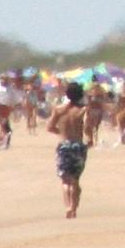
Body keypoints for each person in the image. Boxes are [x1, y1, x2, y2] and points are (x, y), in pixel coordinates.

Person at [48, 81, 88, 218]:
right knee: (75, 180)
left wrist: (62, 132)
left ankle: (67, 207)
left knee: (65, 181)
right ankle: (74, 208)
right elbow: (87, 128)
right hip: (77, 145)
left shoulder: (59, 110)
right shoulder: (83, 110)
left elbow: (50, 127)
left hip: (64, 145)